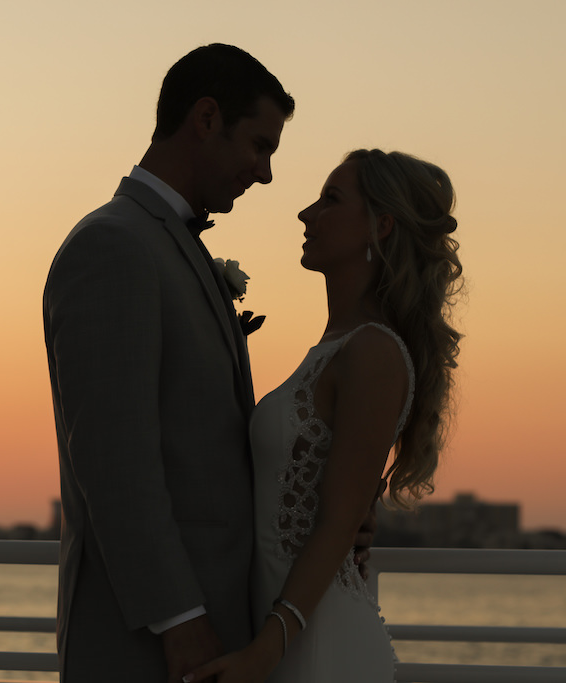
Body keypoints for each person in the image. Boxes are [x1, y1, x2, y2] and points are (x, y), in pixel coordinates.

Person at [43, 44, 294, 682]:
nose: (265, 174)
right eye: (260, 146)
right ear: (206, 118)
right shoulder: (113, 247)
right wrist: (179, 619)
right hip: (152, 648)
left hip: (214, 633)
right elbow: (113, 459)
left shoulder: (161, 245)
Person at [183, 149, 464, 682]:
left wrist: (266, 651)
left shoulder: (374, 353)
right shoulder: (334, 347)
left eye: (330, 200)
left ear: (380, 227)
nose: (305, 214)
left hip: (316, 647)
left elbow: (336, 527)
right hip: (285, 636)